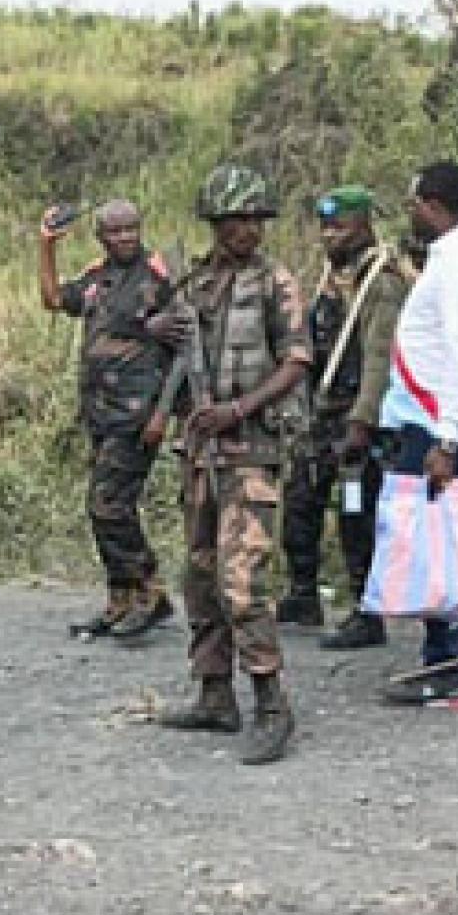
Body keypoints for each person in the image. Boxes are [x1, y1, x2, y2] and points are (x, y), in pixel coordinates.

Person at [151, 164, 310, 765]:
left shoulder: (276, 283)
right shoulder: (194, 285)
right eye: (237, 220)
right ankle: (216, 694)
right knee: (199, 577)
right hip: (200, 456)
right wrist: (159, 329)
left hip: (251, 452)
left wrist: (239, 408)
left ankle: (273, 705)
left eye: (256, 219)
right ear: (217, 224)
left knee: (242, 582)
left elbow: (296, 361)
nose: (249, 230)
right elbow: (172, 355)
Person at [375, 161, 458, 707]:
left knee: (435, 546)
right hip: (432, 419)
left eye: (412, 204)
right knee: (437, 540)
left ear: (432, 203)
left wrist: (447, 441)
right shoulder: (453, 258)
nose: (410, 214)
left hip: (440, 425)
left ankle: (443, 669)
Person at [273, 185, 408, 649]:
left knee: (356, 514)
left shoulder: (381, 280)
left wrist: (362, 421)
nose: (329, 236)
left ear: (364, 225)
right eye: (325, 227)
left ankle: (366, 610)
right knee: (300, 502)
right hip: (323, 415)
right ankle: (303, 593)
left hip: (355, 421)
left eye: (340, 227)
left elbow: (378, 355)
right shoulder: (334, 276)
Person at [38, 198, 179, 640]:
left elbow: (184, 353)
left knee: (107, 504)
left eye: (130, 230)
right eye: (114, 232)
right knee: (107, 506)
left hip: (137, 414)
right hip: (101, 412)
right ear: (101, 236)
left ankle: (151, 591)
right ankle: (121, 598)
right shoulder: (100, 277)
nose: (124, 238)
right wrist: (46, 246)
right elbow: (54, 298)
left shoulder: (159, 279)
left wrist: (163, 413)